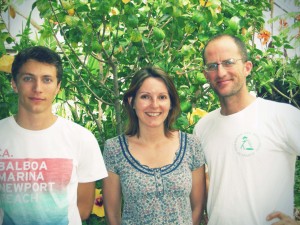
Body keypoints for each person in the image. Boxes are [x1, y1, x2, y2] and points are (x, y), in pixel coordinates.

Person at [193, 34, 300, 225]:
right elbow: (210, 181)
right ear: (205, 75)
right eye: (212, 66)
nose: (221, 72)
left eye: (229, 62)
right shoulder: (203, 127)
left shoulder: (283, 116)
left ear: (247, 67)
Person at [0, 46, 108, 225]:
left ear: (58, 87)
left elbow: (83, 209)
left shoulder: (81, 138)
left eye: (47, 80)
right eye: (28, 78)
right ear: (14, 83)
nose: (38, 88)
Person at [102, 66, 206, 224]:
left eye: (162, 97)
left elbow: (197, 208)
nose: (154, 105)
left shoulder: (192, 145)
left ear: (171, 103)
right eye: (145, 97)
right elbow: (112, 214)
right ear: (132, 102)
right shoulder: (115, 149)